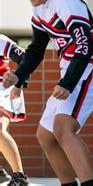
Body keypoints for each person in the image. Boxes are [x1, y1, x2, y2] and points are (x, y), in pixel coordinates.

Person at [3, 0, 93, 186]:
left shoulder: (67, 2)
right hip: (72, 72)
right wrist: (19, 74)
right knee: (45, 135)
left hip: (89, 71)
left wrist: (67, 83)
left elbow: (85, 46)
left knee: (63, 128)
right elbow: (36, 49)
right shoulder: (40, 8)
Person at [0, 35, 29, 185]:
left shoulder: (0, 41)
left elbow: (25, 58)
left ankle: (20, 178)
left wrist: (19, 79)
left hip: (4, 89)